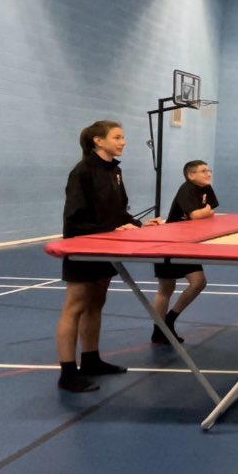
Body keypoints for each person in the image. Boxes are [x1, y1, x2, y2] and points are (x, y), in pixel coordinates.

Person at [57, 120, 163, 393]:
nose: (123, 142)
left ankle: (91, 360)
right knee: (76, 306)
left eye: (123, 137)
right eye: (117, 137)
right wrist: (111, 229)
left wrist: (140, 224)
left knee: (97, 303)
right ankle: (68, 373)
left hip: (106, 247)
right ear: (98, 141)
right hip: (83, 248)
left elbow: (119, 211)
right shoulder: (82, 172)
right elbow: (74, 220)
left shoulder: (115, 171)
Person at [150, 160, 218, 345]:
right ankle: (158, 330)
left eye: (209, 170)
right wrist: (204, 211)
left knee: (198, 282)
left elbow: (211, 210)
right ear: (191, 175)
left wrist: (204, 211)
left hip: (188, 243)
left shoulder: (207, 189)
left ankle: (169, 320)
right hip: (168, 243)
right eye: (204, 171)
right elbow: (197, 215)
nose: (208, 174)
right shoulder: (186, 189)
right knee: (166, 289)